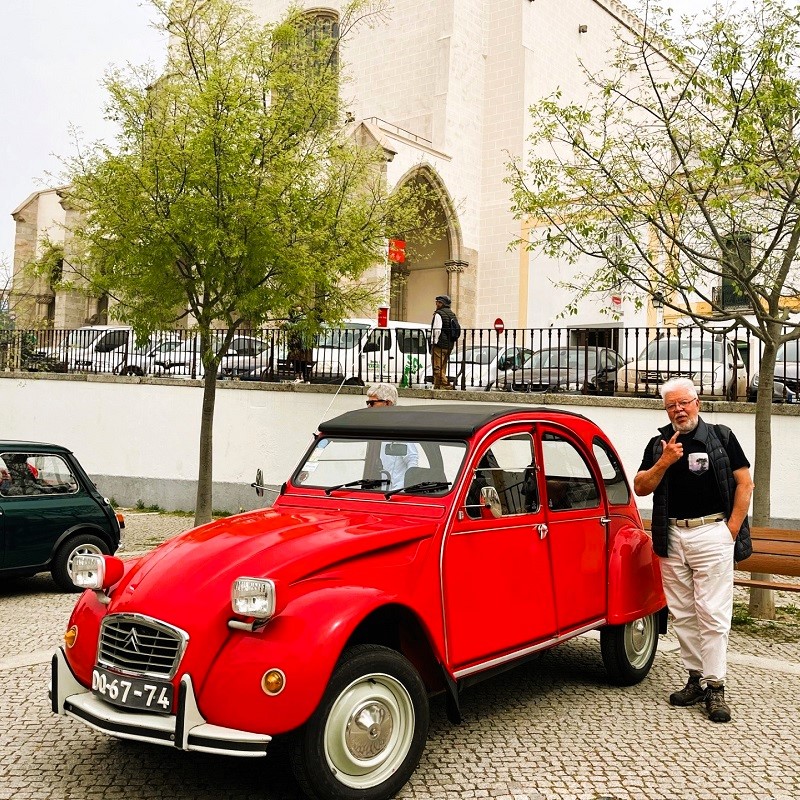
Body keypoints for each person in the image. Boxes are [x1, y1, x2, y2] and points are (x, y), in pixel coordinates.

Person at [634, 377, 754, 724]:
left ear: (697, 402)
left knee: (712, 613)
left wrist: (730, 530)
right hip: (672, 536)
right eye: (672, 404)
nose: (679, 409)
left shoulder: (721, 436)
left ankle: (716, 685)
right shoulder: (659, 443)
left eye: (684, 402)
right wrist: (665, 460)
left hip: (712, 532)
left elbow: (745, 482)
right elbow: (641, 487)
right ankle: (695, 678)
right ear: (665, 408)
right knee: (684, 613)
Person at [365, 383, 419, 490]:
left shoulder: (399, 429)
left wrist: (405, 489)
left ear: (388, 403)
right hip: (374, 491)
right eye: (368, 403)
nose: (368, 406)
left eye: (372, 403)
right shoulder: (373, 429)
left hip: (395, 493)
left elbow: (412, 460)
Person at [430, 294, 458, 390]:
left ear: (441, 303)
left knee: (437, 367)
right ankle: (438, 386)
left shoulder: (439, 314)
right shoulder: (452, 314)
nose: (436, 304)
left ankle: (445, 384)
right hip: (449, 345)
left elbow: (436, 330)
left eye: (437, 302)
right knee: (443, 366)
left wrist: (434, 342)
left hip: (440, 344)